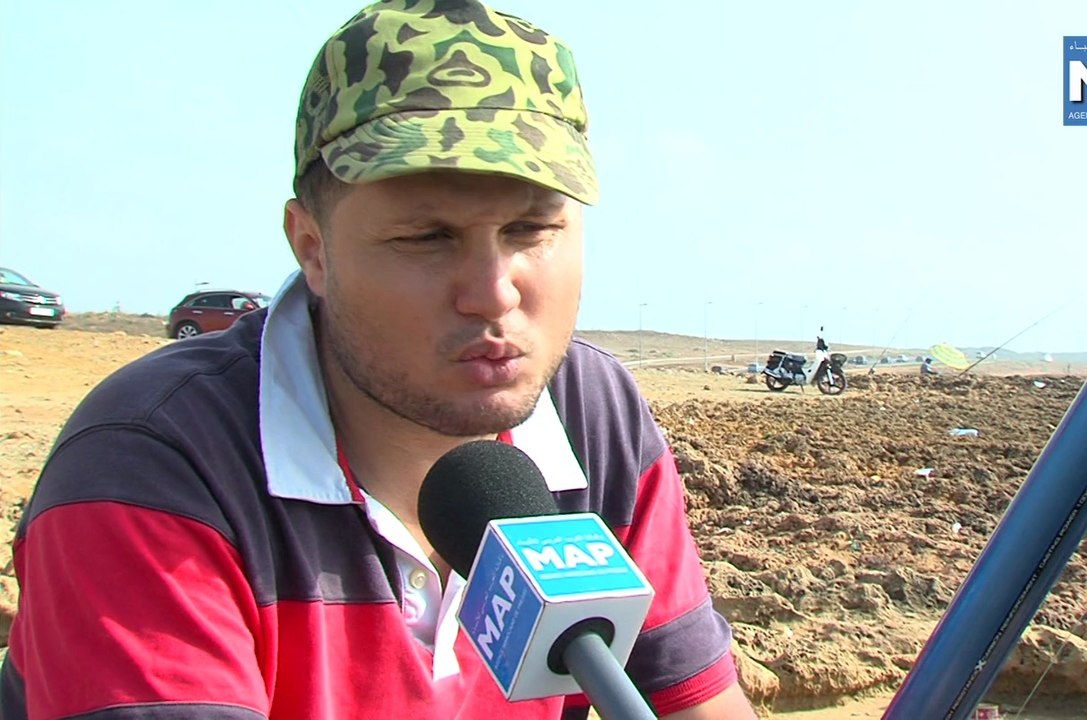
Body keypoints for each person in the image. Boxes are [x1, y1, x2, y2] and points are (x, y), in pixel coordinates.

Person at [0, 2, 756, 719]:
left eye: (531, 229)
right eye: (426, 238)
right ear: (312, 249)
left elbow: (697, 702)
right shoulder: (150, 465)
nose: (492, 294)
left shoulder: (594, 413)